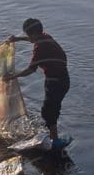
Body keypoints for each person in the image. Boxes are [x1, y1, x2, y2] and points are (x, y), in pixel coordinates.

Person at [5, 17, 68, 145]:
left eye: (27, 34)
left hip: (55, 83)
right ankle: (52, 134)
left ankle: (55, 141)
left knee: (48, 111)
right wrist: (17, 39)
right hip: (63, 80)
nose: (28, 37)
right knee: (52, 108)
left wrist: (12, 76)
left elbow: (30, 70)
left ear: (33, 34)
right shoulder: (45, 37)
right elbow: (32, 40)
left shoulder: (40, 48)